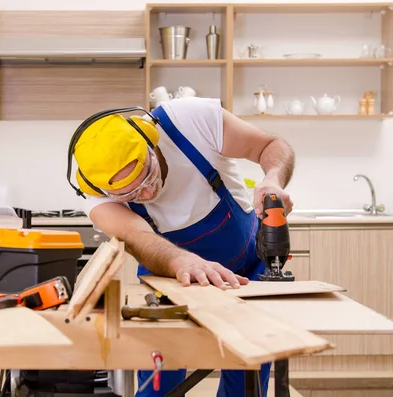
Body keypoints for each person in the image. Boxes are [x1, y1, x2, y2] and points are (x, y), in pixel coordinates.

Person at [65, 96, 295, 397]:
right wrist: (181, 263)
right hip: (169, 282)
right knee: (158, 383)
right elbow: (139, 238)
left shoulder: (189, 121)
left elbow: (270, 145)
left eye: (146, 175)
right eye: (130, 194)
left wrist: (273, 179)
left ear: (152, 142)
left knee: (245, 383)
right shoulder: (96, 195)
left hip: (247, 271)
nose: (146, 193)